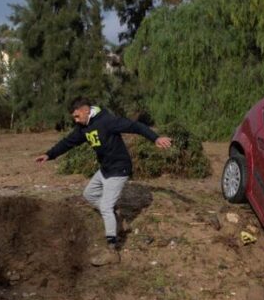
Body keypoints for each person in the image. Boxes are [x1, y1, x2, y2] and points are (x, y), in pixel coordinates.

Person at [36, 97, 172, 266]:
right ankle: (116, 221)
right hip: (105, 169)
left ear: (86, 110)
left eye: (77, 116)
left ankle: (112, 250)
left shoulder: (108, 121)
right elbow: (68, 142)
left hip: (119, 169)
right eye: (74, 118)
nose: (76, 120)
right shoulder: (83, 127)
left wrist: (155, 138)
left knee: (106, 207)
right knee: (89, 194)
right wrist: (49, 154)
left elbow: (135, 126)